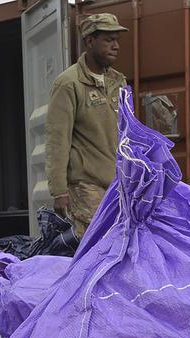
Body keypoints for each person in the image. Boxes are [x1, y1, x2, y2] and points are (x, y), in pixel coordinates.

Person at [46, 13, 128, 236]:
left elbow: (128, 130)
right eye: (108, 40)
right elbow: (57, 139)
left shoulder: (118, 81)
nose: (116, 46)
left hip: (117, 181)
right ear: (90, 41)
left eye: (117, 40)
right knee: (99, 244)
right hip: (86, 185)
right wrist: (59, 191)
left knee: (122, 241)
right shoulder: (69, 83)